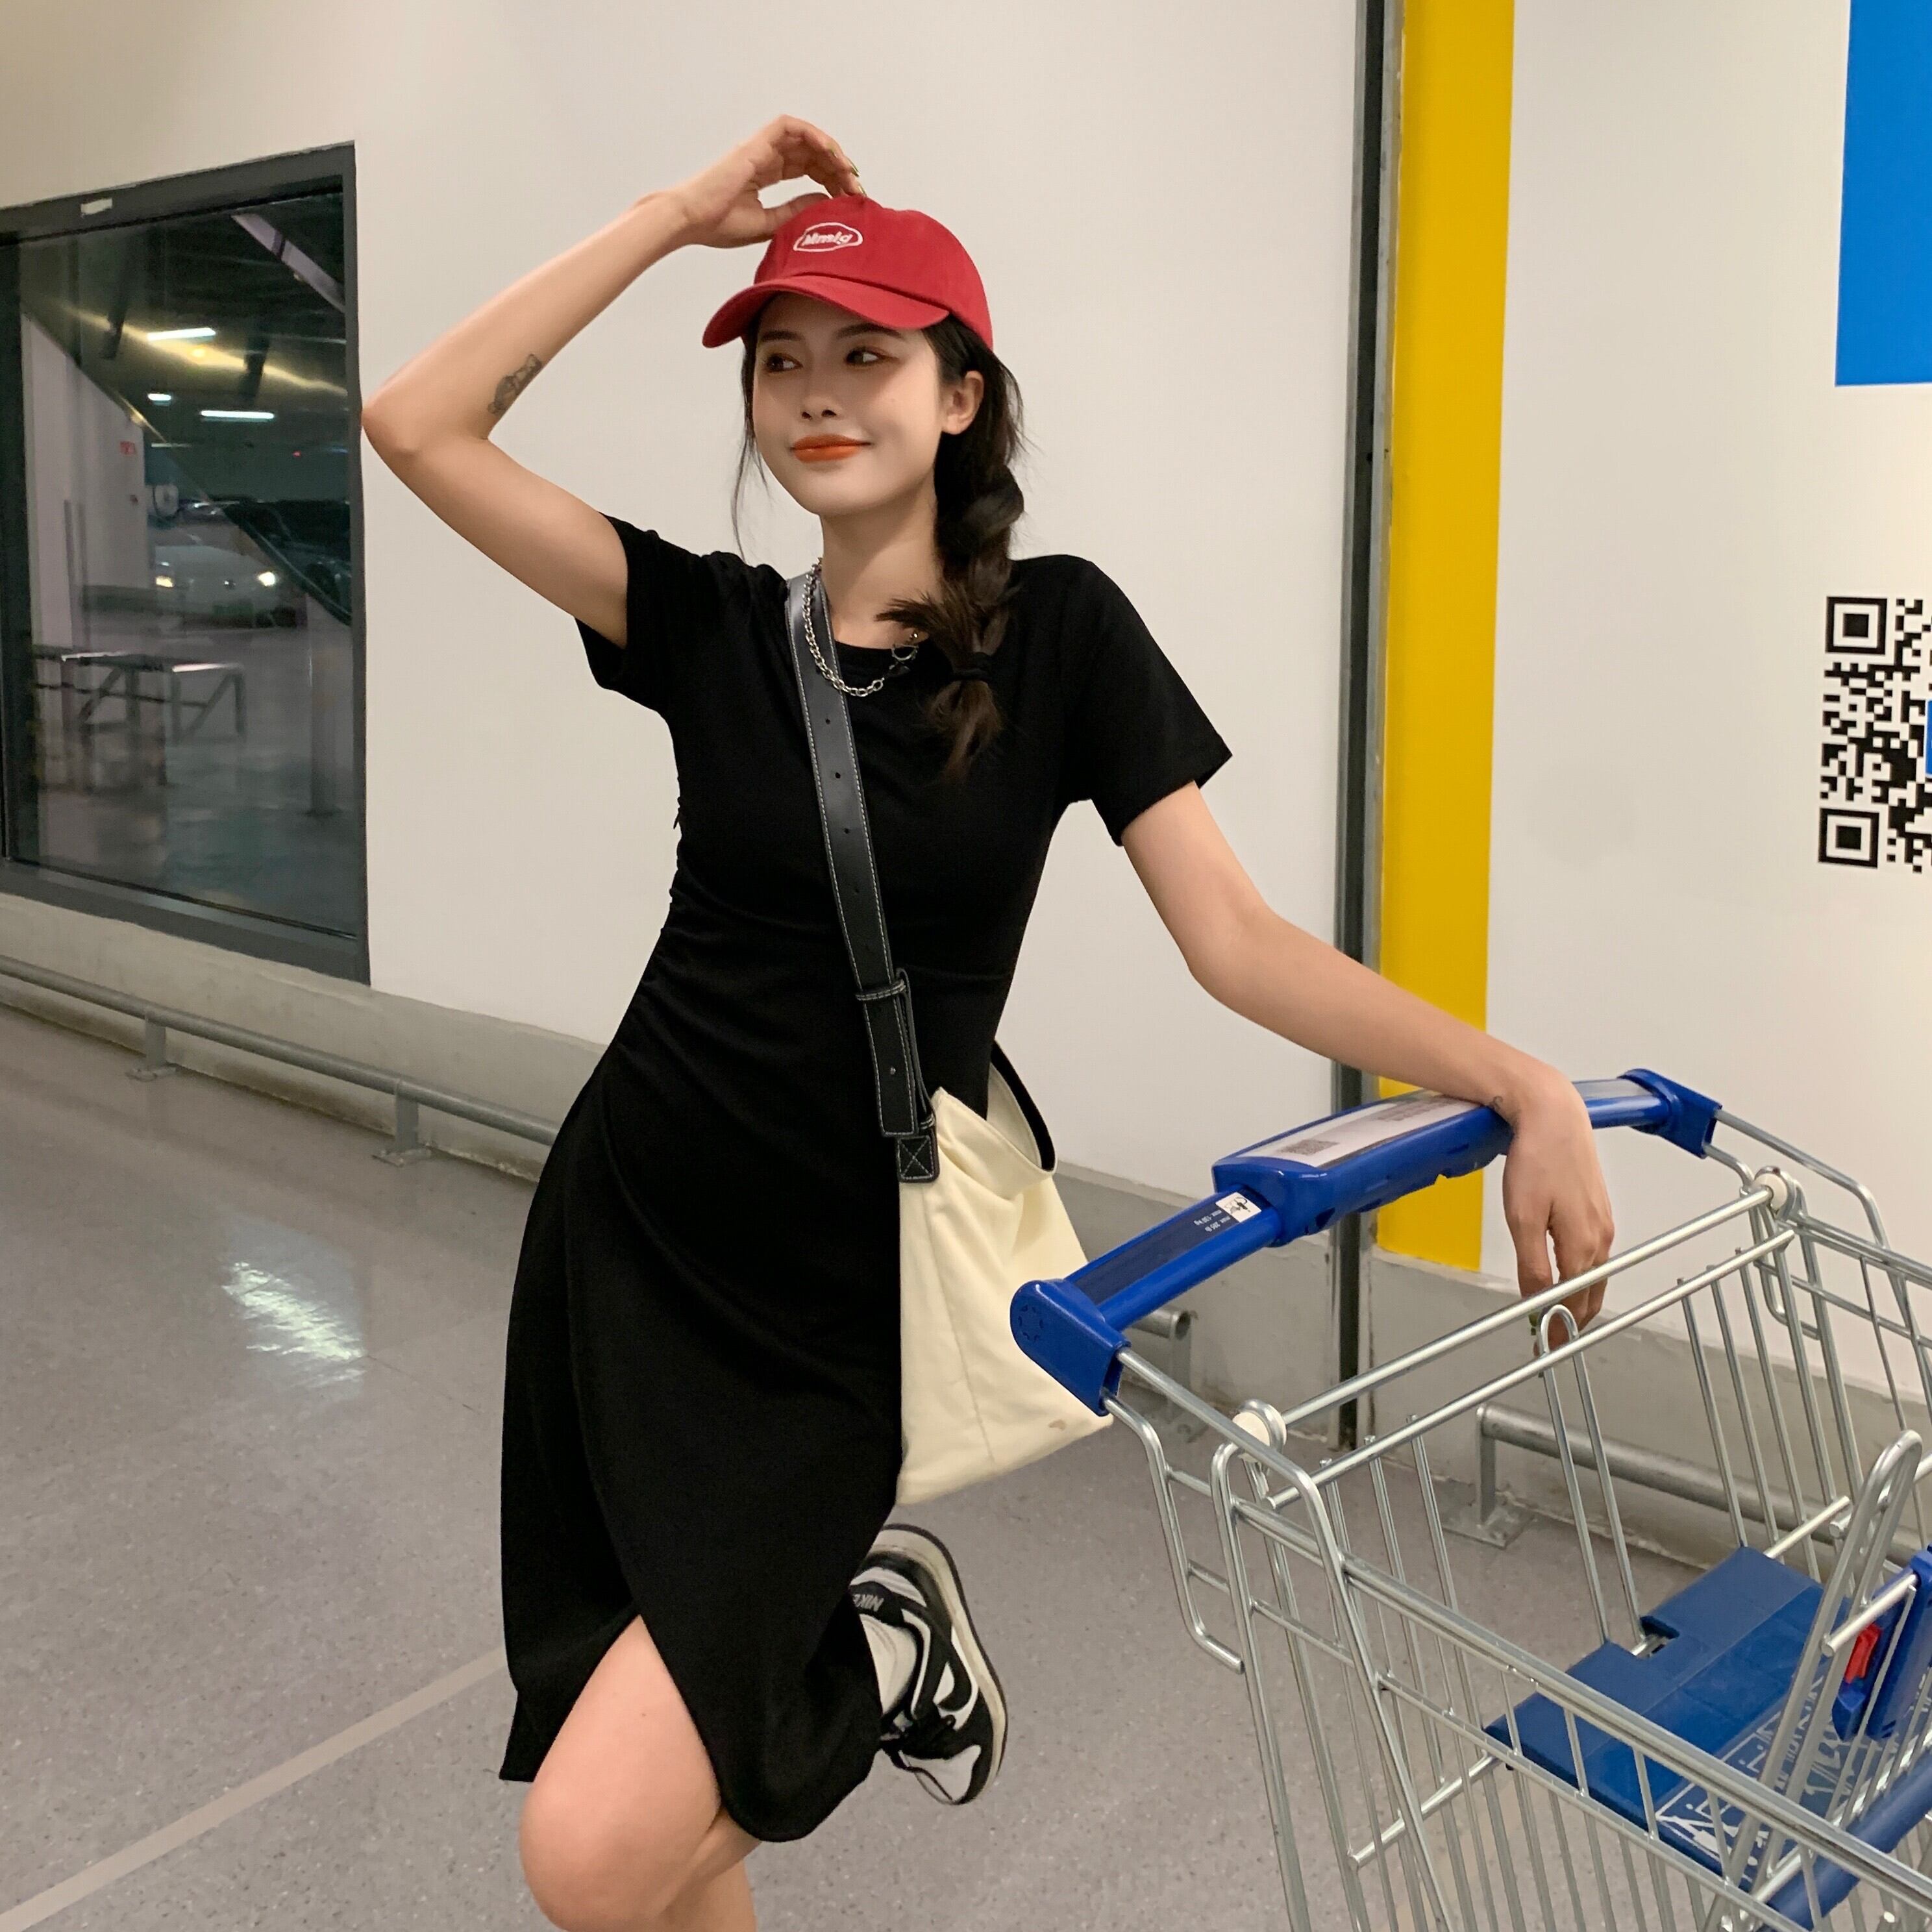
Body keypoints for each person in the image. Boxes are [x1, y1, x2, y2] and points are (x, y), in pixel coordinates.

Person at [362, 116, 1616, 1932]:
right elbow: (417, 422)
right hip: (627, 1247)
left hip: (834, 1302)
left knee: (593, 1848)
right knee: (668, 1789)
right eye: (780, 360)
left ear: (961, 398)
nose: (815, 391)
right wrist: (672, 220)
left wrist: (1516, 1078)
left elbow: (1240, 942)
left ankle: (885, 1645)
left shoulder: (1064, 637)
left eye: (866, 354)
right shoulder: (706, 624)